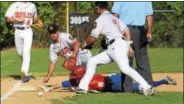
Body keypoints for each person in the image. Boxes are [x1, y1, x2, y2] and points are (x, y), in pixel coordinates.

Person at [75, 1, 154, 96]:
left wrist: (83, 44)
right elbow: (126, 30)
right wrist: (128, 45)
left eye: (96, 8)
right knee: (92, 61)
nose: (96, 10)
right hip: (113, 47)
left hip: (117, 46)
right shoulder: (113, 18)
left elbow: (92, 39)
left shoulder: (100, 20)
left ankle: (146, 86)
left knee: (125, 68)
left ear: (98, 8)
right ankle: (83, 87)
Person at [39, 65, 177, 93]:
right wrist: (50, 87)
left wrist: (73, 88)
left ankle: (163, 81)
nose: (73, 78)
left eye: (75, 76)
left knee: (140, 88)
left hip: (113, 84)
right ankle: (164, 80)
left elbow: (70, 86)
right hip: (111, 77)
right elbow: (64, 84)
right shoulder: (83, 79)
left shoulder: (88, 82)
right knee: (140, 85)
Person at [111, 2, 154, 93]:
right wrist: (149, 32)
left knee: (126, 61)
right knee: (142, 60)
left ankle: (127, 89)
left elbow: (115, 16)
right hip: (140, 31)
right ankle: (149, 86)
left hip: (125, 30)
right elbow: (149, 16)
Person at [5, 2, 43, 82]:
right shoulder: (14, 5)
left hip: (27, 31)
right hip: (17, 31)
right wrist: (16, 19)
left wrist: (38, 22)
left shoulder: (32, 6)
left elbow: (35, 18)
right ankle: (26, 65)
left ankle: (24, 72)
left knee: (26, 52)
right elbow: (8, 19)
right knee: (20, 53)